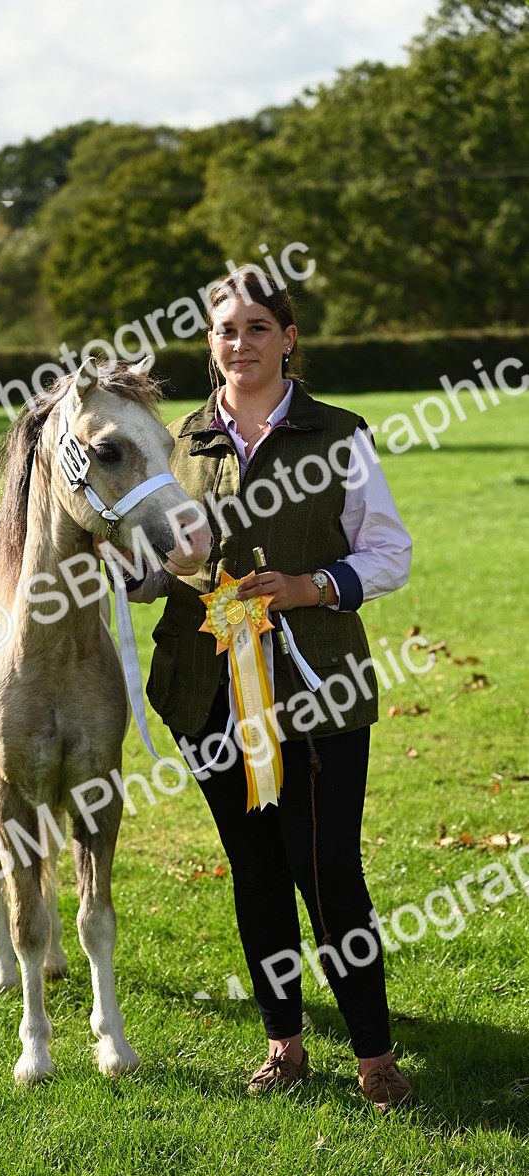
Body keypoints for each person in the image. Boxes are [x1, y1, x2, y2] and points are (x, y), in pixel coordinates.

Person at [100, 265, 414, 1112]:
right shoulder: (174, 446)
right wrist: (143, 566)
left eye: (257, 329)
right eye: (225, 331)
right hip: (206, 694)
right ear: (212, 343)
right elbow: (151, 572)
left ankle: (376, 1054)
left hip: (318, 690)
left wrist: (310, 586)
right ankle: (285, 1043)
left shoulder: (338, 434)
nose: (240, 345)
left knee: (328, 872)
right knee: (254, 870)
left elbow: (389, 554)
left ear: (288, 338)